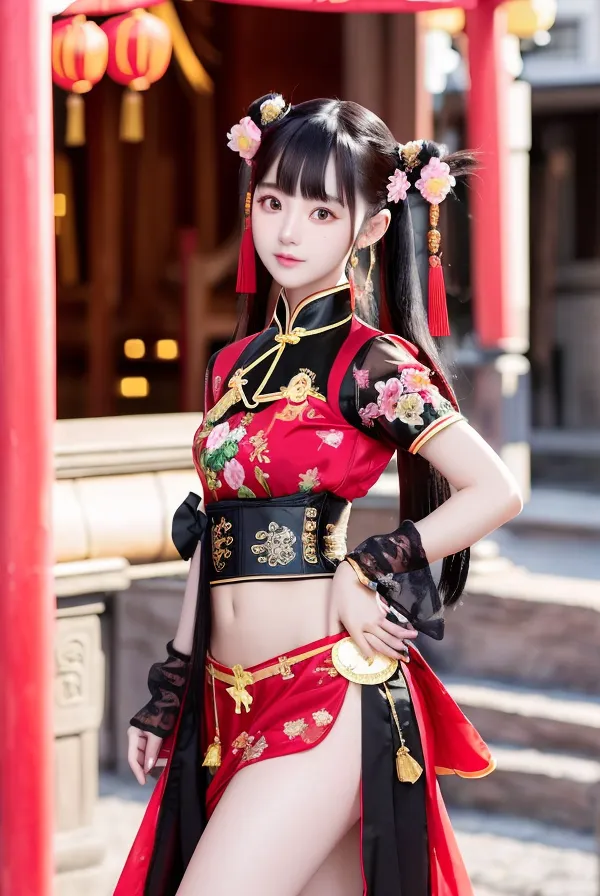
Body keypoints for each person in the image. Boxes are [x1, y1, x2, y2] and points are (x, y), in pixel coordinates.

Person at [114, 94, 522, 896]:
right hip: (225, 702)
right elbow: (215, 534)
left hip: (324, 689)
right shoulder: (231, 369)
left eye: (320, 210)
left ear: (370, 227)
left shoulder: (372, 365)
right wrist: (170, 688)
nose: (287, 231)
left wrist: (367, 567)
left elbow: (494, 489)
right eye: (272, 202)